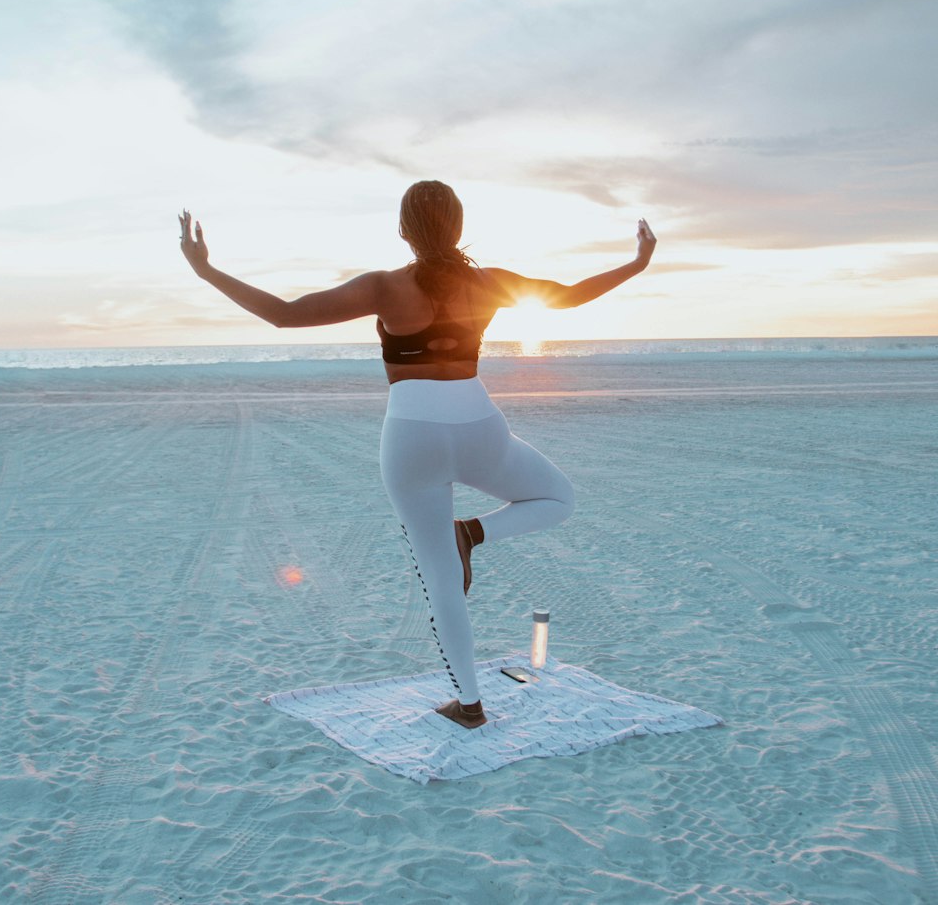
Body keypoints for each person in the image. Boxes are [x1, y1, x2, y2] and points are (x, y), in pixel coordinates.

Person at [179, 180, 656, 729]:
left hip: (411, 435)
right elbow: (570, 294)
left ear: (404, 230)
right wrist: (636, 264)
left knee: (440, 577)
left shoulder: (384, 286)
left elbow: (285, 314)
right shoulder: (490, 283)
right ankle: (474, 532)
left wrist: (205, 270)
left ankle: (470, 704)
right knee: (558, 498)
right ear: (457, 227)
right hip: (480, 426)